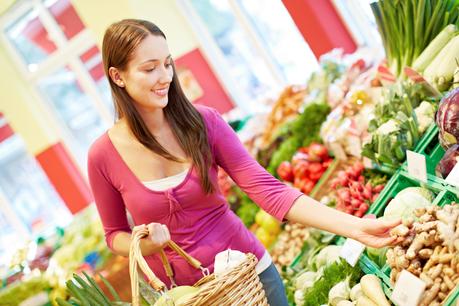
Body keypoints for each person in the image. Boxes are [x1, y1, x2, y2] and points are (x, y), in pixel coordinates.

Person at [87, 19, 400, 306]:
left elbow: (270, 191)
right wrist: (145, 244)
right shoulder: (103, 155)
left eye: (167, 64)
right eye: (149, 68)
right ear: (118, 76)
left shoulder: (204, 123)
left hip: (250, 277)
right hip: (189, 299)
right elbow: (114, 234)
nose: (165, 77)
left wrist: (356, 227)